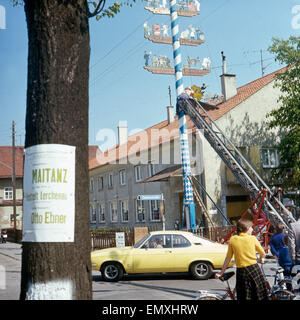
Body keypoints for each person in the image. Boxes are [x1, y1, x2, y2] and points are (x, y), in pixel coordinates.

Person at [215, 219, 269, 300]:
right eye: (251, 227)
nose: (252, 229)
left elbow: (228, 258)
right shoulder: (252, 238)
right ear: (246, 228)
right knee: (259, 294)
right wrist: (261, 259)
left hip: (241, 271)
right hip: (254, 269)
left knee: (244, 295)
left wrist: (221, 272)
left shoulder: (233, 239)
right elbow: (263, 253)